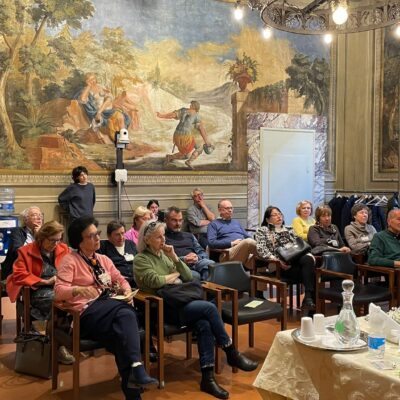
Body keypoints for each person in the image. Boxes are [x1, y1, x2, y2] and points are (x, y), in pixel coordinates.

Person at [134, 220, 258, 399]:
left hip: (179, 302)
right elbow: (156, 281)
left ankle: (207, 378)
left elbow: (187, 276)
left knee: (204, 324)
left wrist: (174, 257)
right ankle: (231, 351)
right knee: (209, 308)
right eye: (158, 237)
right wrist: (173, 276)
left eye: (164, 236)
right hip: (162, 308)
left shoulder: (165, 255)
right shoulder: (141, 259)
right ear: (147, 240)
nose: (163, 240)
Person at [54, 217, 158, 400]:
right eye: (91, 236)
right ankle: (137, 368)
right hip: (86, 315)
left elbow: (121, 280)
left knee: (121, 336)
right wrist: (77, 289)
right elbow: (58, 292)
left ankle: (134, 390)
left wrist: (127, 292)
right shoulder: (70, 261)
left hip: (109, 313)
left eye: (98, 234)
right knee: (126, 313)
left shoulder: (103, 259)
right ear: (79, 241)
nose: (97, 239)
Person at [6, 221, 73, 364]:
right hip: (37, 291)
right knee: (60, 303)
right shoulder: (26, 251)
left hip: (60, 287)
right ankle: (58, 345)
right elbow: (19, 274)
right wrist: (45, 282)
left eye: (59, 239)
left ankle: (58, 341)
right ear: (42, 237)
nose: (56, 244)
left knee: (74, 301)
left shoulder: (63, 249)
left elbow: (73, 268)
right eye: (52, 240)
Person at [255, 206, 317, 311]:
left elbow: (299, 247)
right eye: (275, 215)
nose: (278, 216)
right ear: (267, 219)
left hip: (294, 262)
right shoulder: (262, 230)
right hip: (278, 266)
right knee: (311, 274)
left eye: (280, 214)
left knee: (308, 260)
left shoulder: (289, 229)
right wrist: (277, 260)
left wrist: (309, 255)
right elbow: (261, 249)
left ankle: (308, 298)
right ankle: (309, 300)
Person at [156, 100, 213, 170]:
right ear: (197, 108)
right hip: (185, 137)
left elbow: (172, 115)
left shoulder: (183, 110)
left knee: (186, 155)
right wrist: (207, 142)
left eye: (191, 104)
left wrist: (161, 116)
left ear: (192, 106)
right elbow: (201, 130)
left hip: (176, 136)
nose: (190, 105)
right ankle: (189, 162)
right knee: (199, 148)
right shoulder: (196, 116)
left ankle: (170, 157)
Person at [164, 206, 214, 280]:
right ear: (165, 220)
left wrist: (197, 257)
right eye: (174, 220)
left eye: (180, 220)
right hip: (179, 265)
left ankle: (207, 286)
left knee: (212, 266)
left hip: (196, 262)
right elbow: (164, 259)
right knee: (196, 275)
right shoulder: (162, 237)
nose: (178, 224)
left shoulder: (189, 235)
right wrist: (184, 259)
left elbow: (201, 251)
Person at [77, 72, 130, 141]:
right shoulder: (86, 90)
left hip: (107, 110)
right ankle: (118, 141)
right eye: (90, 80)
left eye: (94, 79)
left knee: (120, 116)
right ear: (87, 81)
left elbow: (109, 98)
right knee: (111, 124)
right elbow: (82, 99)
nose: (93, 81)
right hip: (99, 113)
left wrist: (100, 111)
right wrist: (89, 86)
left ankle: (124, 140)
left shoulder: (101, 87)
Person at [207, 199, 257, 270]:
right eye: (227, 208)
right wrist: (231, 243)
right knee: (249, 242)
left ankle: (269, 263)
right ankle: (268, 254)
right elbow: (211, 242)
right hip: (227, 253)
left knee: (258, 259)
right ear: (220, 210)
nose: (230, 210)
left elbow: (247, 236)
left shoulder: (236, 222)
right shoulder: (214, 224)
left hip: (243, 252)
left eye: (231, 208)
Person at [1, 206, 43, 281]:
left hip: (41, 269)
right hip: (20, 269)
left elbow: (48, 252)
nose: (39, 218)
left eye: (40, 215)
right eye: (35, 215)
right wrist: (37, 239)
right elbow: (18, 252)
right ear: (25, 219)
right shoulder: (17, 232)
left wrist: (40, 235)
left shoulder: (45, 233)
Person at [98, 220, 137, 287]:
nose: (121, 237)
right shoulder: (103, 247)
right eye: (117, 235)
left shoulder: (131, 244)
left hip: (136, 281)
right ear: (109, 236)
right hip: (117, 284)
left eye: (122, 233)